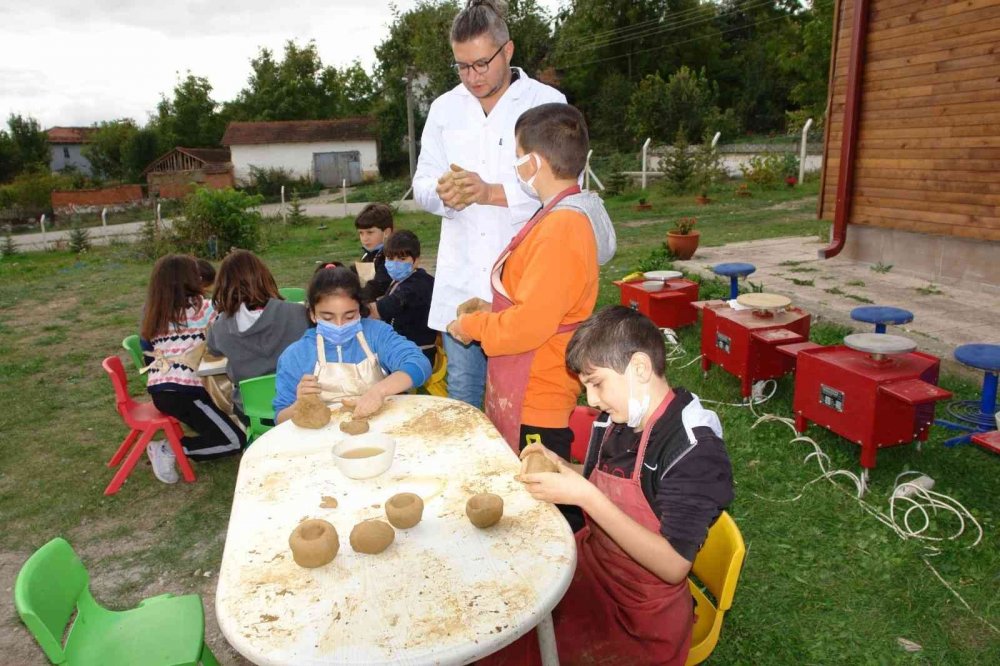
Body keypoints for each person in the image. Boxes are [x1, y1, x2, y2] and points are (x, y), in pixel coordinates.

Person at [491, 306, 734, 665]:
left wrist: (585, 497)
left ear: (639, 368)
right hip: (594, 567)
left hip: (643, 615)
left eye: (597, 383)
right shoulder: (620, 418)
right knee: (506, 623)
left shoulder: (693, 451)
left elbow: (673, 565)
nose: (590, 400)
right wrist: (562, 467)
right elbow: (604, 479)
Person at [413, 0, 566, 409]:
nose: (473, 77)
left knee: (522, 397)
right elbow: (421, 184)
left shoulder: (546, 103)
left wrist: (488, 192)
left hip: (524, 278)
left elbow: (566, 188)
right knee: (463, 396)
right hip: (462, 277)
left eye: (482, 64)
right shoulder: (445, 109)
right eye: (462, 67)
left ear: (508, 51)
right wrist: (444, 193)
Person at [447, 103, 615, 459]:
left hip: (537, 393)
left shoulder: (561, 228)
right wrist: (493, 307)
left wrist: (472, 325)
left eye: (519, 156)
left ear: (535, 163)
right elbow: (544, 300)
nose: (517, 164)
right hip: (533, 381)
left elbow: (529, 326)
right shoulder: (558, 215)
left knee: (544, 503)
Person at [273, 265, 432, 423]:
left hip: (381, 427)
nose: (339, 325)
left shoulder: (376, 335)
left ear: (360, 311)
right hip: (322, 439)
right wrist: (300, 405)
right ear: (313, 315)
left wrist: (379, 391)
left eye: (349, 316)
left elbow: (419, 364)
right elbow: (280, 419)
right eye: (328, 318)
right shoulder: (296, 355)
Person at [140, 255, 245, 483]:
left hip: (162, 390)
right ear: (190, 279)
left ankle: (184, 442)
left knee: (218, 423)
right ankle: (170, 449)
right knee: (235, 441)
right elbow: (232, 322)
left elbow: (146, 351)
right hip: (185, 392)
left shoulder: (153, 313)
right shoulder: (204, 309)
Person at [205, 250, 310, 420]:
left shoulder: (220, 327)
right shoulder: (299, 313)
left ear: (223, 285)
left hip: (252, 410)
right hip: (298, 402)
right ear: (265, 278)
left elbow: (213, 349)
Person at [368, 230, 437, 367]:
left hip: (416, 355)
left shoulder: (418, 285)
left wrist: (347, 309)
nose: (395, 264)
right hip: (402, 348)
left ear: (416, 261)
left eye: (402, 259)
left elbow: (378, 310)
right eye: (390, 259)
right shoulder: (403, 279)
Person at [353, 203, 393, 301]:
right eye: (361, 233)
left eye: (370, 232)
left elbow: (377, 286)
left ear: (386, 232)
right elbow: (356, 275)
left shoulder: (391, 257)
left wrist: (353, 298)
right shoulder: (368, 254)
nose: (364, 238)